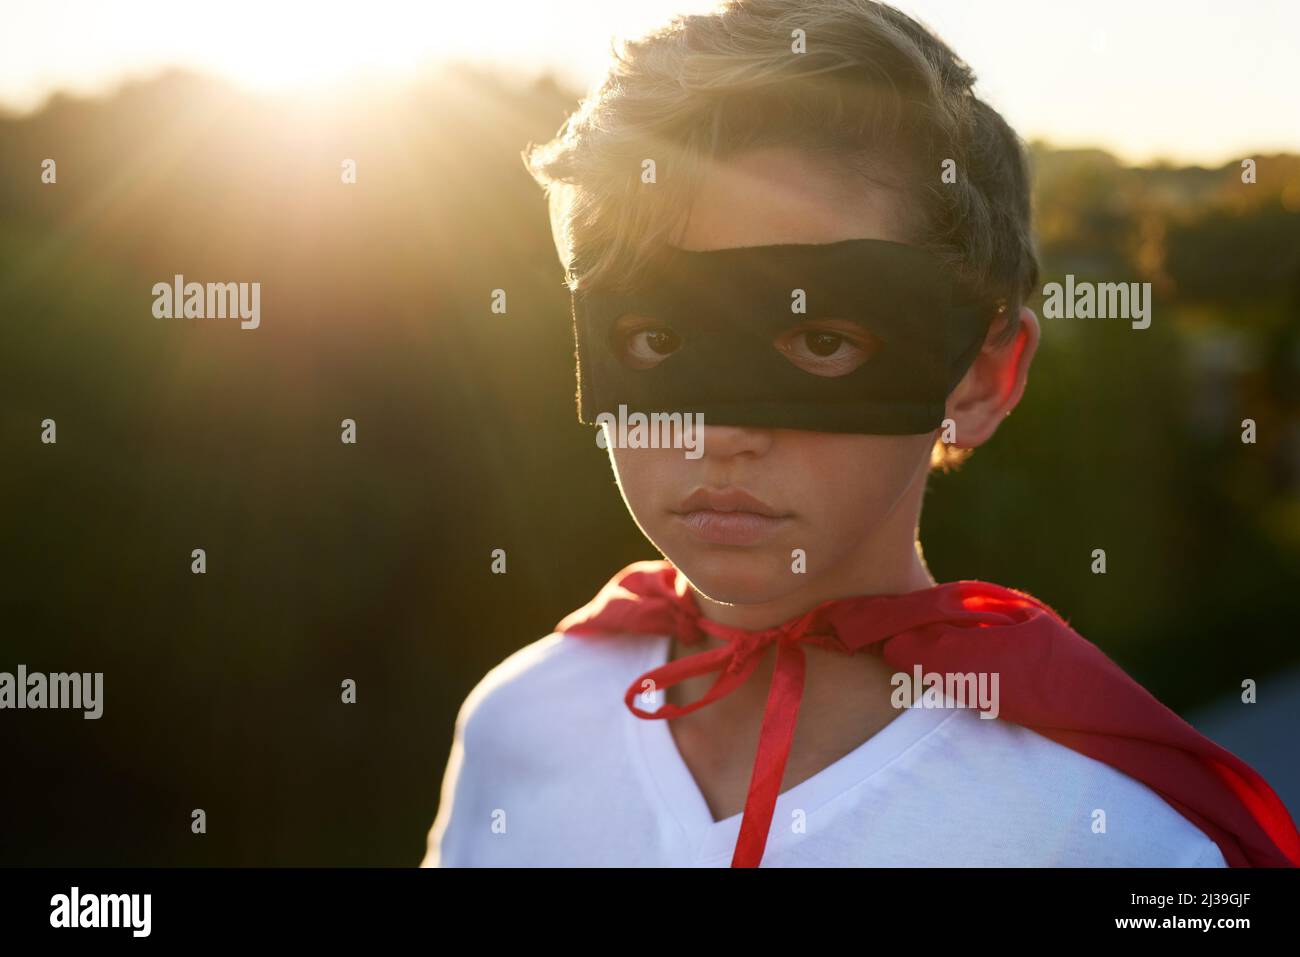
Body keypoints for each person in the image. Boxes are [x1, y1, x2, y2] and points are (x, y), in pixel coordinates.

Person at [421, 0, 1300, 867]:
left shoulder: (1112, 835)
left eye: (823, 341)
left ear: (981, 377)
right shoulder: (518, 727)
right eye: (655, 339)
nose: (719, 431)